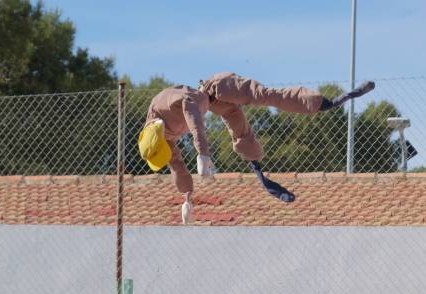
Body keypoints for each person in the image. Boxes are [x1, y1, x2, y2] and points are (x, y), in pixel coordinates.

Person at [138, 72, 375, 222]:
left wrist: (203, 153)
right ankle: (257, 166)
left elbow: (194, 117)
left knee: (263, 95)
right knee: (242, 136)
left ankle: (325, 103)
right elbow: (177, 166)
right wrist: (187, 199)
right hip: (216, 106)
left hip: (217, 88)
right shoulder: (160, 140)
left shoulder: (166, 105)